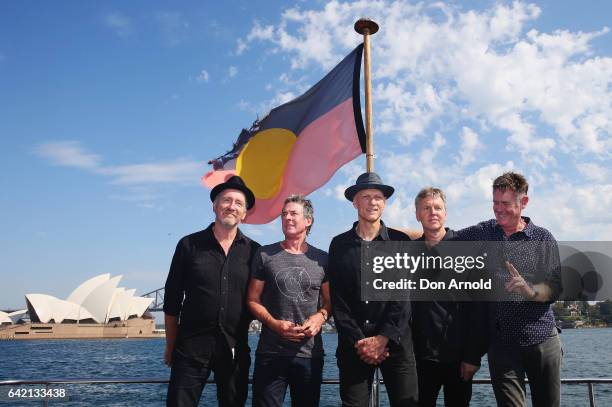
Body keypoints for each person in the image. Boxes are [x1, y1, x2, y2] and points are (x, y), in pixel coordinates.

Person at [456, 172, 563, 407]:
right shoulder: (484, 232)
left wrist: (529, 291)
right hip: (502, 346)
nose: (498, 209)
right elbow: (444, 238)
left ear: (523, 202)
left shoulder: (543, 238)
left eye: (505, 203)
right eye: (495, 203)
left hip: (543, 341)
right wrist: (398, 235)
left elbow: (555, 288)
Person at [163, 175, 261, 407]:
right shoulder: (188, 245)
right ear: (215, 206)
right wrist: (170, 346)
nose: (232, 206)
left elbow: (260, 299)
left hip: (235, 349)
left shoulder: (255, 252)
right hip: (190, 349)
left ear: (245, 213)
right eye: (226, 200)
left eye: (238, 203)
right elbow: (172, 300)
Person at [328, 172, 418, 407]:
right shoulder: (338, 245)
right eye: (365, 196)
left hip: (397, 345)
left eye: (378, 197)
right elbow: (338, 301)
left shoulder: (401, 242)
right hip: (354, 347)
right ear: (355, 202)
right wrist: (361, 341)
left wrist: (383, 338)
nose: (372, 202)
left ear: (385, 203)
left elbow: (403, 295)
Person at [247, 195, 330, 407]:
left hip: (309, 355)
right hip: (271, 353)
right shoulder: (265, 254)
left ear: (308, 221)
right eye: (284, 214)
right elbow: (252, 299)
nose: (288, 218)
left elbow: (330, 303)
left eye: (294, 213)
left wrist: (320, 318)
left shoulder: (322, 259)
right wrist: (275, 324)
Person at [411, 187, 486, 407]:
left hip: (460, 359)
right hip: (419, 358)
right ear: (417, 214)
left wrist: (473, 357)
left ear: (445, 213)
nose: (432, 212)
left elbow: (480, 309)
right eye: (426, 208)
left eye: (437, 207)